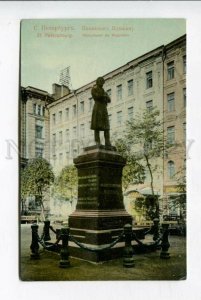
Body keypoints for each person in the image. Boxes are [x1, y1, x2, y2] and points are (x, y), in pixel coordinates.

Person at [90, 77, 111, 146]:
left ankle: (107, 142)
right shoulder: (94, 89)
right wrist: (104, 96)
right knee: (97, 126)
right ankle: (97, 142)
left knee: (106, 126)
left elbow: (109, 100)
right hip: (97, 108)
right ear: (97, 82)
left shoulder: (104, 91)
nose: (102, 83)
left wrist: (104, 96)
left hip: (104, 109)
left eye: (103, 81)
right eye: (100, 81)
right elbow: (96, 96)